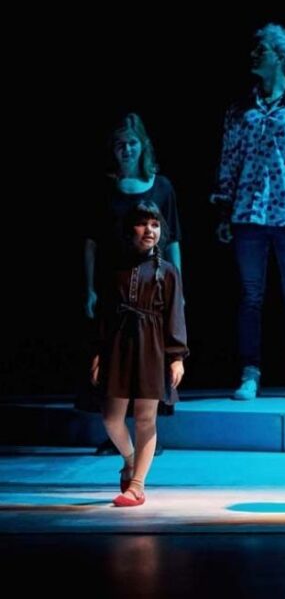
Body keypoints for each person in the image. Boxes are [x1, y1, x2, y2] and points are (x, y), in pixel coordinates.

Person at [213, 23, 285, 400]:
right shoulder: (239, 109)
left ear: (280, 57)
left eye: (260, 49)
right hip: (248, 215)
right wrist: (224, 211)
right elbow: (229, 161)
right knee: (250, 296)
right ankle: (250, 372)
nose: (253, 55)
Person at [81, 113, 183, 455]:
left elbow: (173, 239)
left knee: (149, 359)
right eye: (120, 144)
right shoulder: (105, 188)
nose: (126, 149)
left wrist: (178, 288)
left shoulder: (161, 186)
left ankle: (147, 435)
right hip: (115, 285)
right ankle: (118, 437)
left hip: (153, 285)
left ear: (144, 147)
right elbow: (92, 242)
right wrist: (89, 287)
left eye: (132, 143)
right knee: (114, 361)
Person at [91, 201, 188, 507]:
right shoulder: (114, 268)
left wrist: (176, 356)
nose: (149, 230)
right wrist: (99, 352)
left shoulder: (168, 272)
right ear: (129, 230)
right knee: (111, 418)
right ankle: (130, 459)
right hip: (119, 345)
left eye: (155, 224)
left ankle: (137, 486)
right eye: (143, 223)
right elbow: (104, 313)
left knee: (146, 418)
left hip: (152, 347)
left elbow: (175, 315)